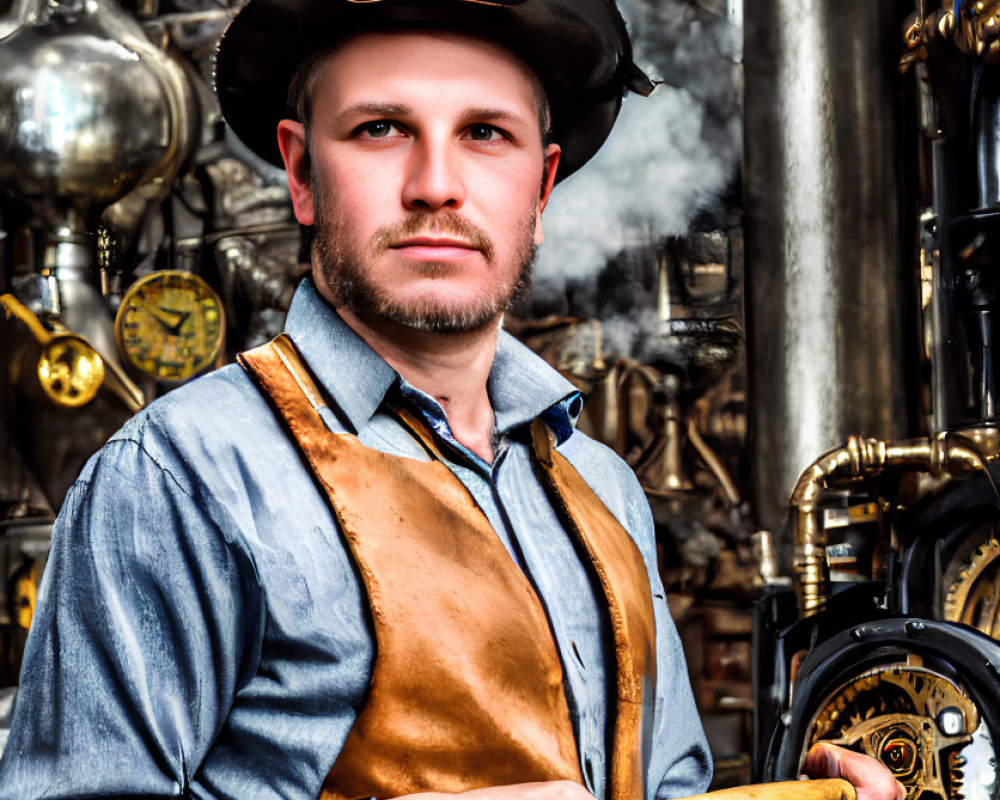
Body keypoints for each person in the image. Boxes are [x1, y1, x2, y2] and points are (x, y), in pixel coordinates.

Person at [0, 1, 903, 798]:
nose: (436, 183)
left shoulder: (605, 490)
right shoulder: (181, 480)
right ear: (302, 173)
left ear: (541, 188)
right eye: (383, 128)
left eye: (485, 133)